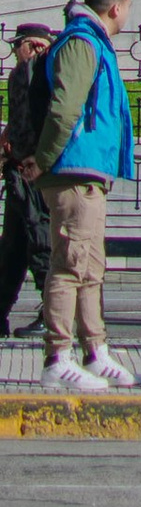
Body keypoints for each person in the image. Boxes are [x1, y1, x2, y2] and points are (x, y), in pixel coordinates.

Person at [26, 0, 141, 392]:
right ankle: (58, 357)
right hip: (73, 168)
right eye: (128, 5)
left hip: (89, 170)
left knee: (90, 267)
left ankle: (96, 352)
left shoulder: (94, 42)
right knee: (70, 265)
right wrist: (43, 160)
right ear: (116, 7)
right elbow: (64, 109)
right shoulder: (82, 42)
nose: (128, 12)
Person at [0, 18, 57, 334]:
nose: (14, 53)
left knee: (39, 241)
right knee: (13, 247)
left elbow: (48, 118)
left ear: (33, 45)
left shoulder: (39, 71)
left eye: (17, 47)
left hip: (34, 172)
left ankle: (52, 315)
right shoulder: (20, 73)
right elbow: (19, 117)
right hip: (19, 168)